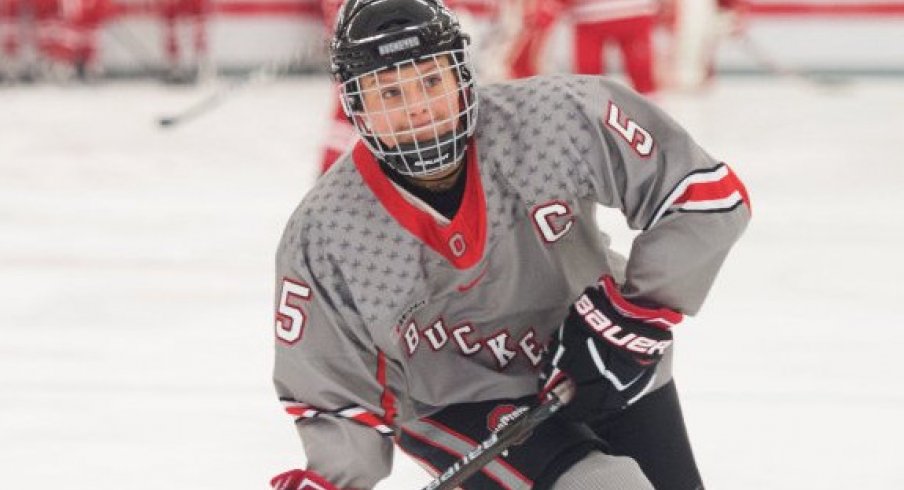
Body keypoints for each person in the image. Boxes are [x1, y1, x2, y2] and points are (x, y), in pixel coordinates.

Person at [270, 0, 750, 488]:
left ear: (461, 73)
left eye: (431, 81)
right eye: (389, 92)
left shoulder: (554, 120)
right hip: (456, 404)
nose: (416, 107)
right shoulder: (327, 232)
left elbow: (704, 196)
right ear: (355, 104)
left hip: (606, 356)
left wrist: (633, 315)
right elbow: (332, 389)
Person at [509, 0, 660, 94]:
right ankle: (593, 114)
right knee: (589, 77)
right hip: (590, 19)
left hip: (632, 12)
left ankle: (654, 118)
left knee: (641, 72)